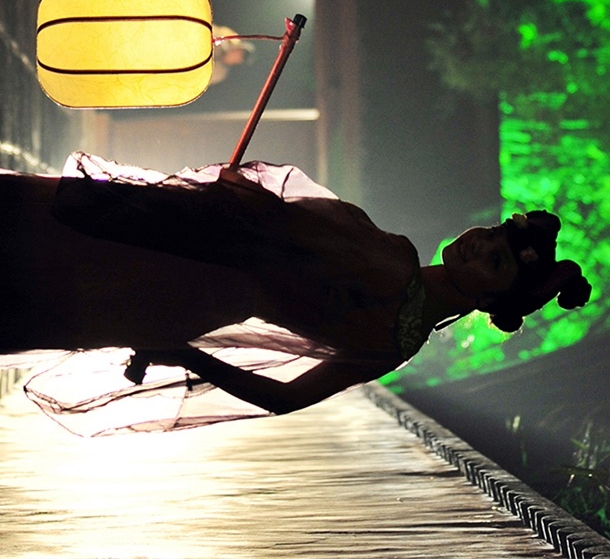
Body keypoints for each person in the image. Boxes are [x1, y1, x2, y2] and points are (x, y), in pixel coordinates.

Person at [0, 154, 591, 437]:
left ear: (494, 304)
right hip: (179, 295)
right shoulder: (399, 337)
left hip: (172, 266)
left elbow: (268, 221)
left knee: (30, 250)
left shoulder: (393, 270)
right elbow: (280, 398)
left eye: (495, 260)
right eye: (492, 234)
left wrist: (188, 353)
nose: (480, 243)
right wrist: (181, 349)